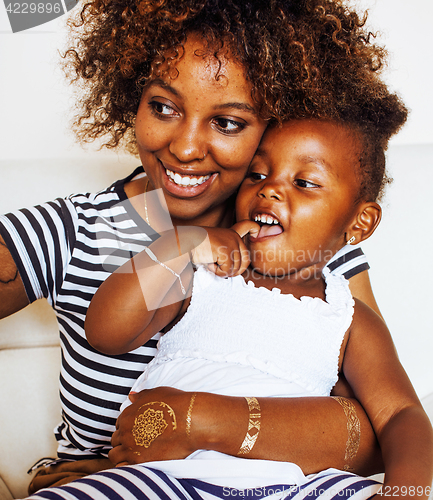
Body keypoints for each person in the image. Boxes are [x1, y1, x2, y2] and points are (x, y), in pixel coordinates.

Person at [0, 0, 396, 491]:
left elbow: (379, 429)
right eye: (163, 107)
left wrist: (201, 423)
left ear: (275, 120)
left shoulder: (303, 245)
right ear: (132, 98)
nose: (185, 149)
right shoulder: (72, 229)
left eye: (227, 122)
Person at [33, 110, 433, 498]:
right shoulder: (203, 279)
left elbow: (399, 415)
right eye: (257, 174)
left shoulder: (348, 318)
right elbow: (107, 332)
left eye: (305, 182)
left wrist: (407, 492)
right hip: (164, 476)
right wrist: (179, 244)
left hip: (294, 485)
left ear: (359, 223)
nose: (270, 188)